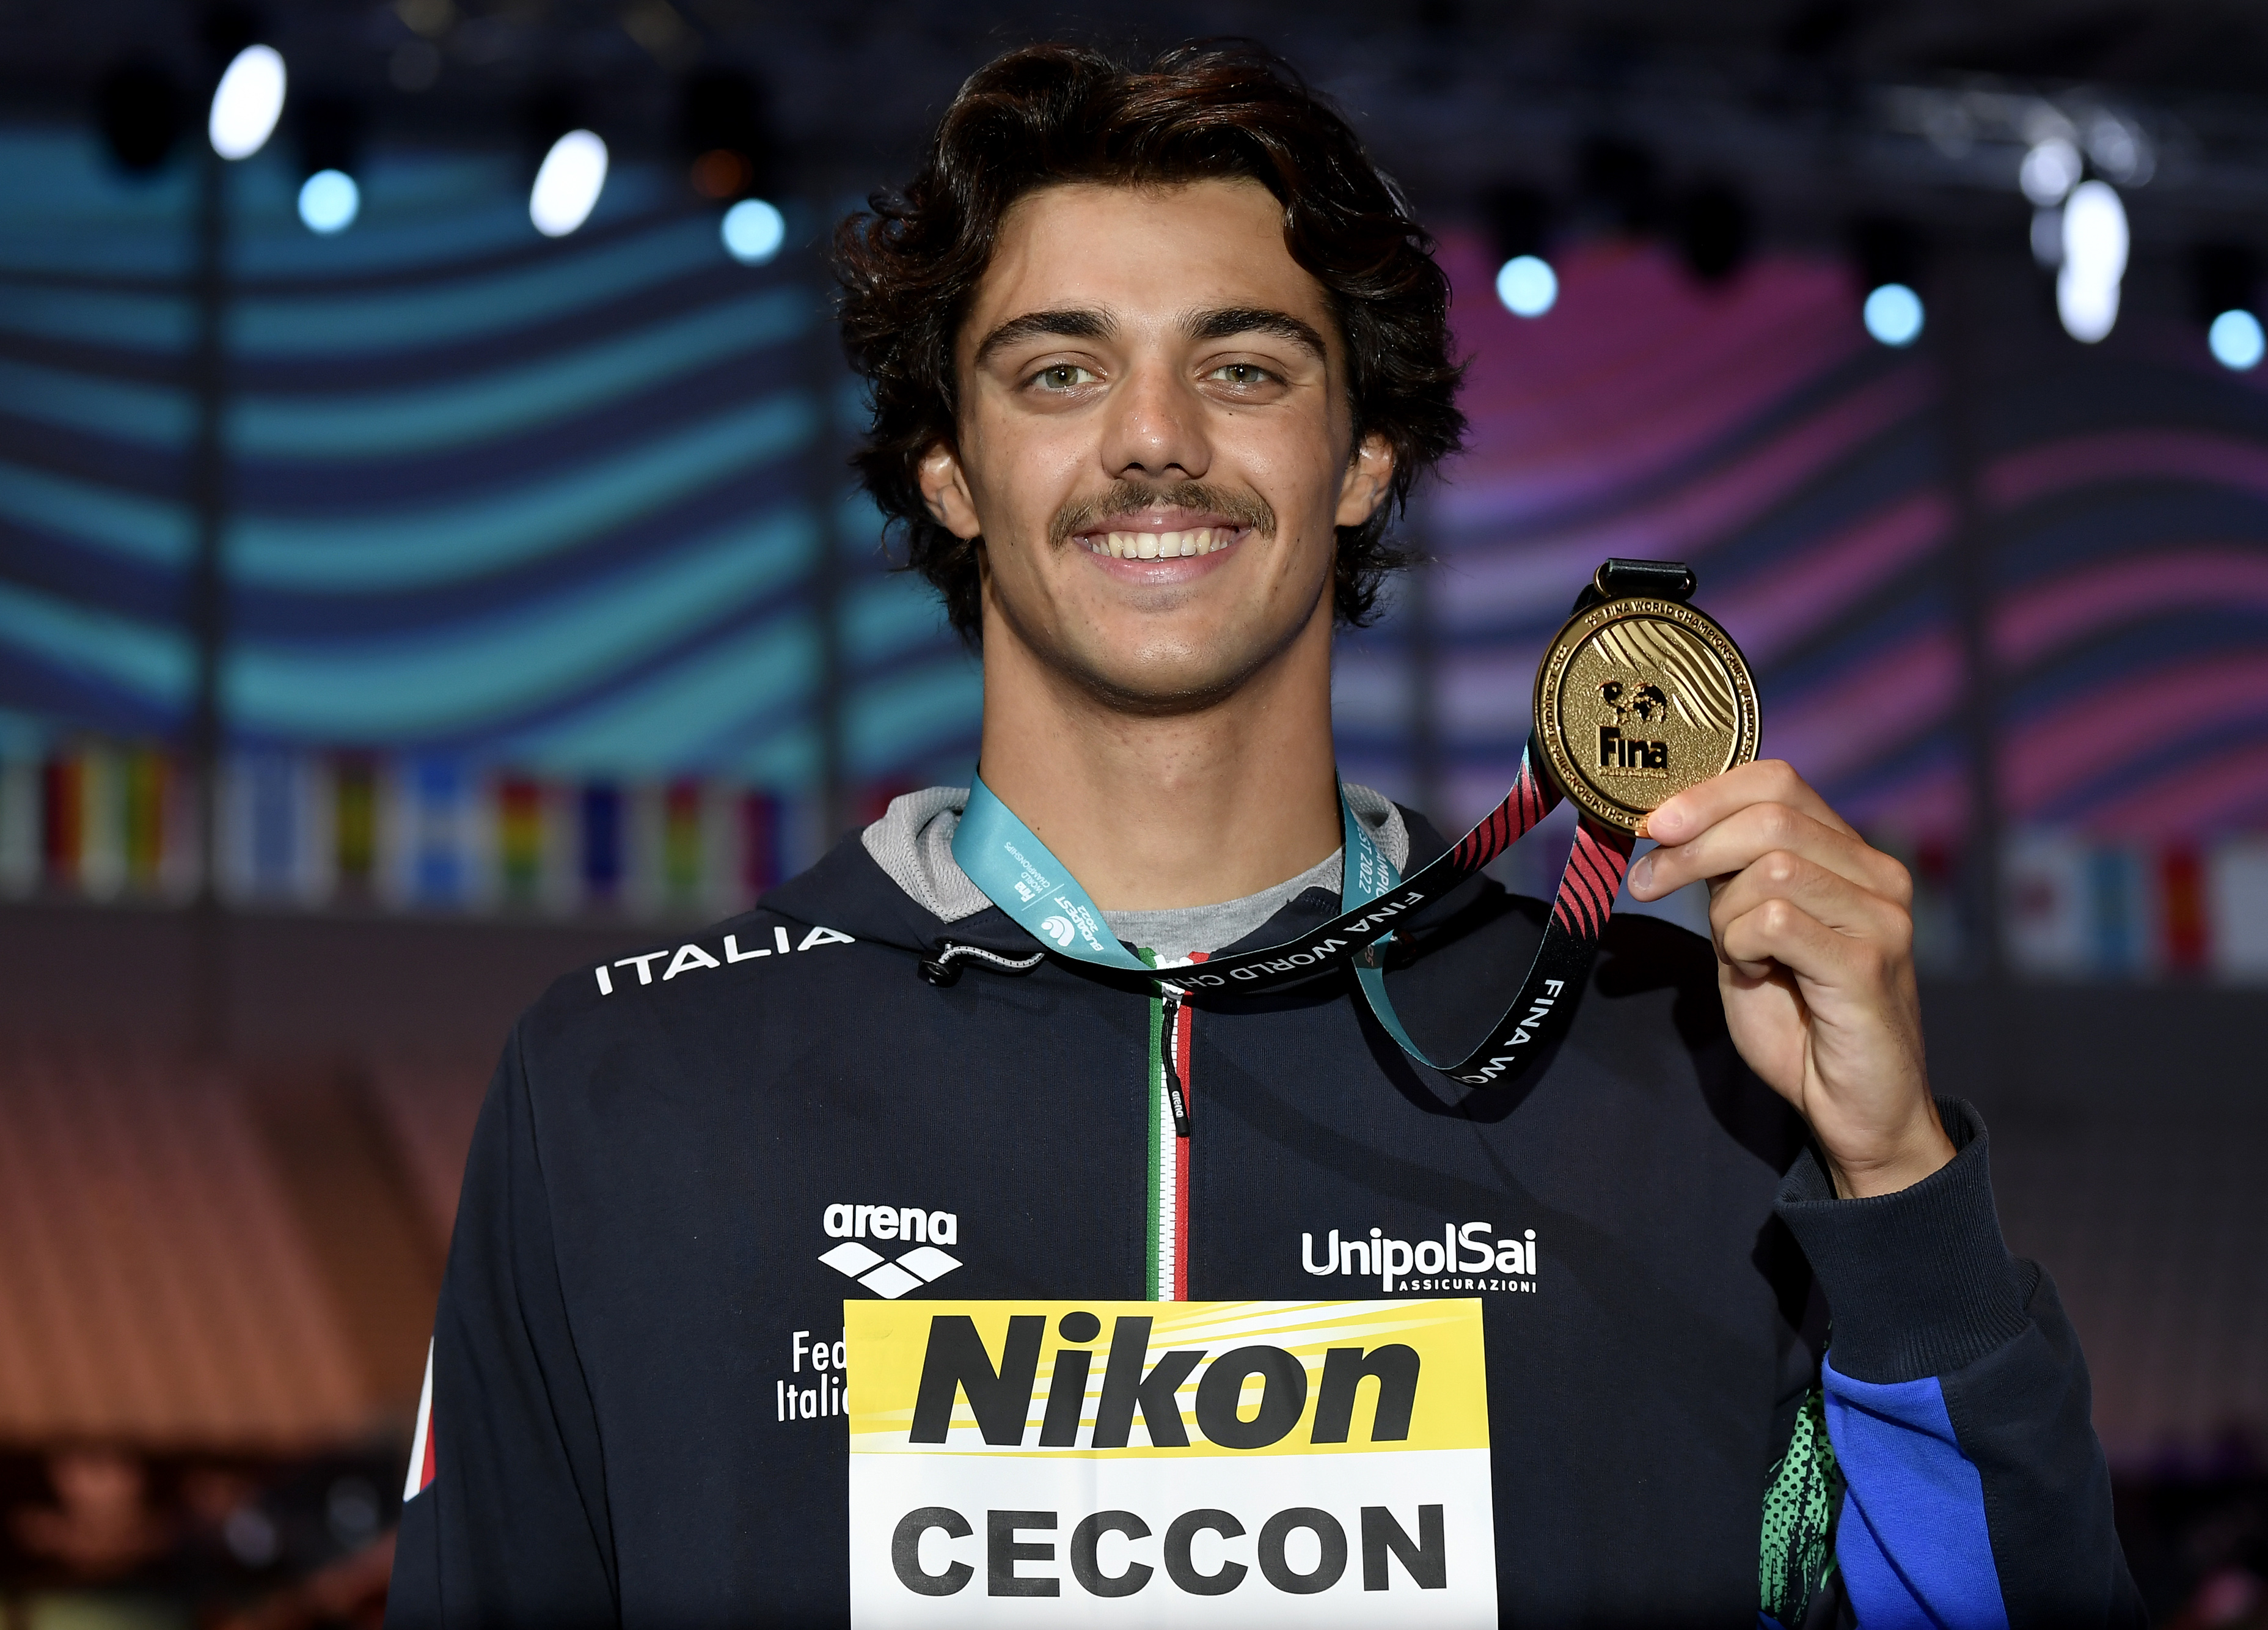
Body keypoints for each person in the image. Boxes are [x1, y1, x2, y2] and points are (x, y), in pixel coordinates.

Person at [389, 40, 2139, 1628]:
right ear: (948, 466)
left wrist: (1899, 1185)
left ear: (1365, 454)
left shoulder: (1687, 1072)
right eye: (1059, 370)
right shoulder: (627, 1087)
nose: (1154, 443)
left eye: (1241, 367)